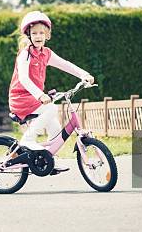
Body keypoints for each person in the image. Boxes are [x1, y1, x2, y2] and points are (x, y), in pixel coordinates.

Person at [8, 11, 94, 167]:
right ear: (28, 35)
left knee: (55, 130)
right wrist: (40, 95)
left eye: (42, 32)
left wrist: (84, 74)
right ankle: (27, 140)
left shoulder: (46, 54)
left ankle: (45, 161)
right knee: (52, 109)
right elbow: (23, 79)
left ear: (47, 35)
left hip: (35, 99)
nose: (38, 36)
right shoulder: (25, 55)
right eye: (34, 33)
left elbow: (65, 64)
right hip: (20, 98)